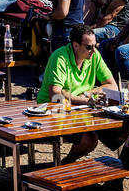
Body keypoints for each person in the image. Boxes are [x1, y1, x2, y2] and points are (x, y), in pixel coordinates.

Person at [37, 23, 118, 160]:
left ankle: (117, 173)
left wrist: (87, 94)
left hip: (79, 110)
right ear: (75, 45)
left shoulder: (94, 56)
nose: (93, 50)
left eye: (95, 46)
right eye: (89, 47)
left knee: (119, 133)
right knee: (89, 140)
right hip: (52, 110)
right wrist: (86, 100)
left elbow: (112, 86)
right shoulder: (60, 57)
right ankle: (66, 165)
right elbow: (56, 95)